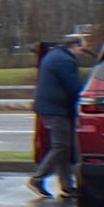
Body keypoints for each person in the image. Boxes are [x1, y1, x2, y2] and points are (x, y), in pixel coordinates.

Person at [27, 34, 88, 198]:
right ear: (75, 46)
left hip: (49, 108)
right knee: (61, 147)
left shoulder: (54, 55)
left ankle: (67, 186)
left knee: (63, 147)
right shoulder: (65, 60)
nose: (82, 52)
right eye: (82, 48)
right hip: (56, 110)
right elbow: (74, 87)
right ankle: (37, 178)